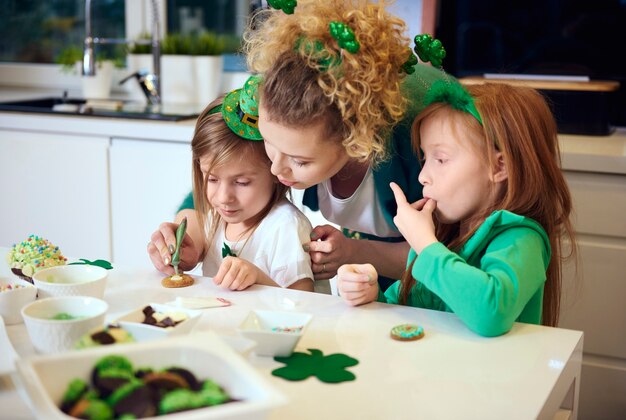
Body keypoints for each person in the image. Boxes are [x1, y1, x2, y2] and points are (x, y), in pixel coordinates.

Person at [224, 0, 449, 290]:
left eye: (301, 161)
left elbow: (450, 256)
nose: (275, 167)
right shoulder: (277, 110)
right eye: (267, 142)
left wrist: (356, 253)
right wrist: (188, 227)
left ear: (358, 138)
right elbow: (222, 179)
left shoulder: (422, 137)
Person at [337, 81, 576, 337]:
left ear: (499, 167)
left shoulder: (521, 239)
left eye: (440, 159)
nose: (423, 177)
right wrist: (371, 294)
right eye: (424, 159)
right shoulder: (443, 239)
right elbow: (407, 313)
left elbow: (490, 313)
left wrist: (425, 245)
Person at [148, 83, 314, 292]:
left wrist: (258, 279)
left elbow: (305, 304)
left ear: (275, 170)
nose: (223, 197)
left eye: (241, 182)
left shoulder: (286, 227)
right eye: (212, 179)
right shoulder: (216, 218)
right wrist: (181, 255)